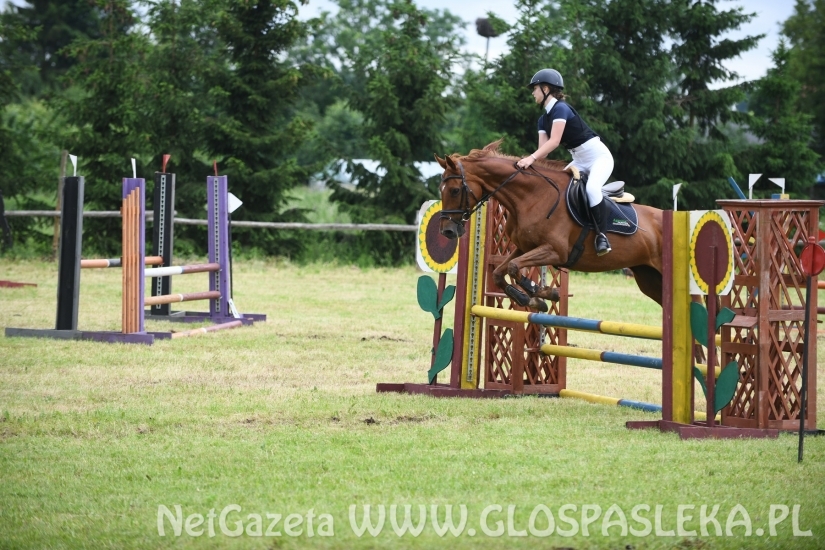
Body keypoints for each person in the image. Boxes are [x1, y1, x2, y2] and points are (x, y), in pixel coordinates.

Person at [516, 68, 614, 256]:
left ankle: (602, 236)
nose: (532, 92)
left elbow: (554, 141)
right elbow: (542, 152)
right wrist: (531, 162)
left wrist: (530, 158)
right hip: (579, 159)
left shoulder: (561, 108)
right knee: (558, 187)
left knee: (592, 189)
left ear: (545, 89)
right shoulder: (542, 120)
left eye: (535, 88)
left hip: (599, 157)